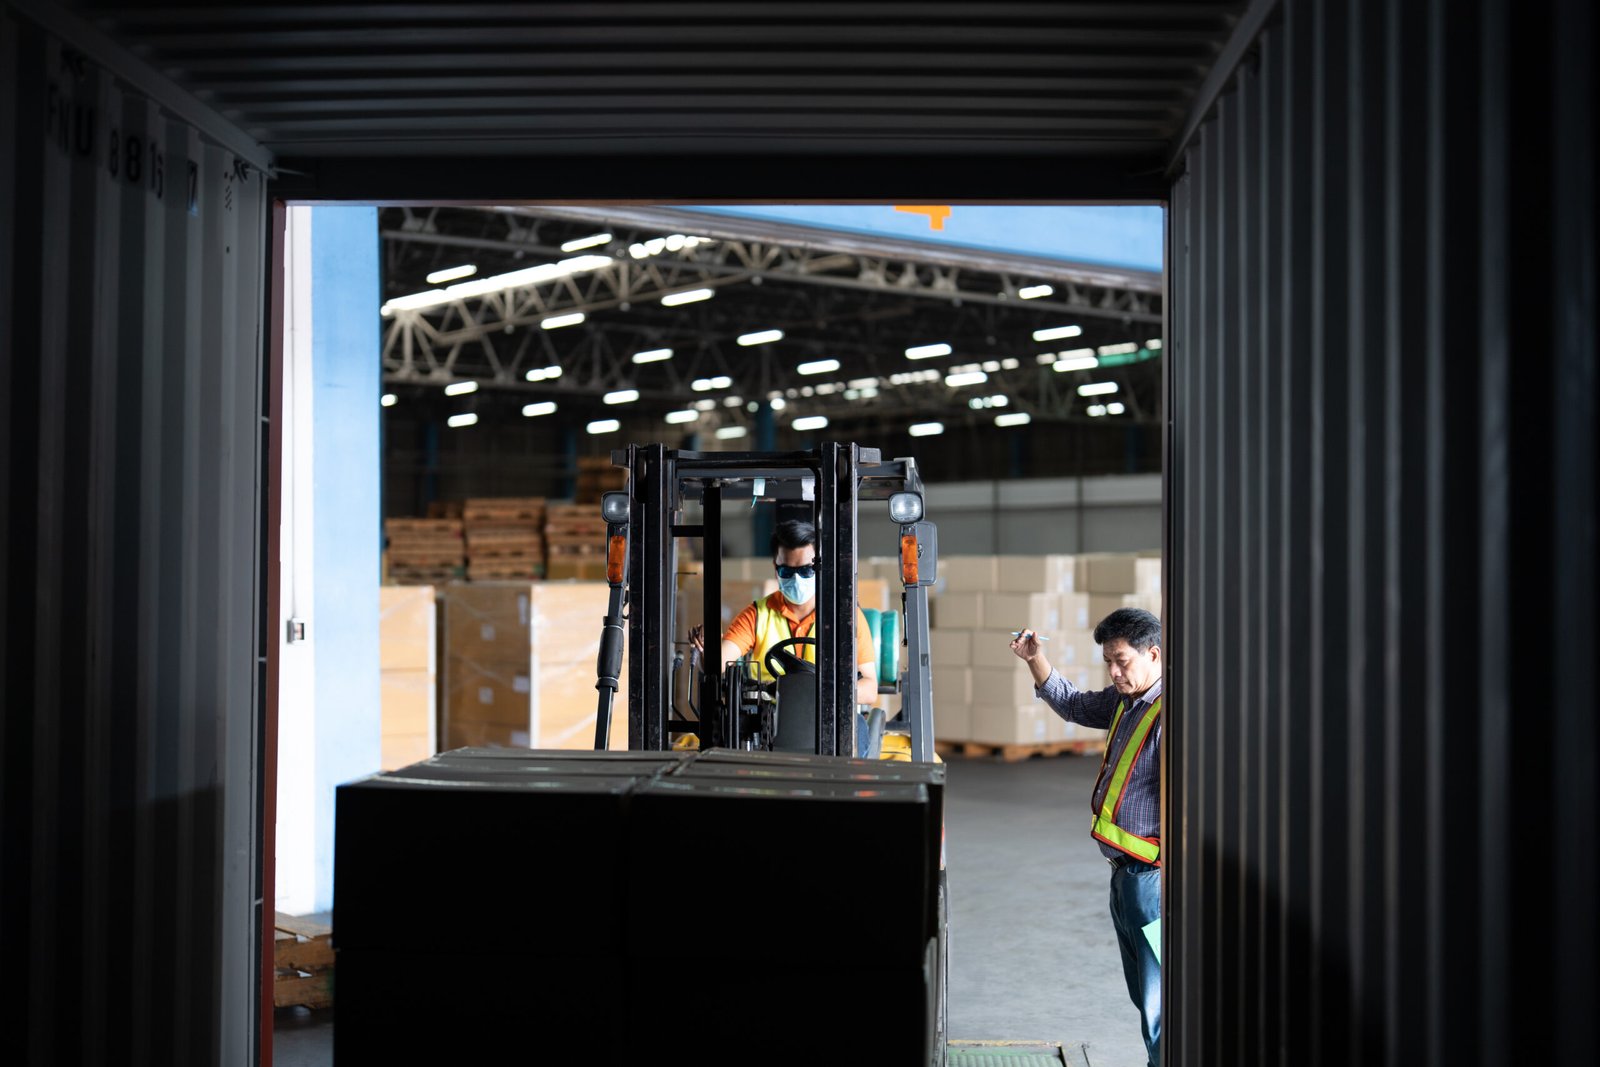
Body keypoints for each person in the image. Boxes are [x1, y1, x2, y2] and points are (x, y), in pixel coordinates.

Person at [1010, 607, 1163, 1067]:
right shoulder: (1125, 701)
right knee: (1145, 996)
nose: (1114, 672)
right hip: (1125, 877)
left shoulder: (1173, 715)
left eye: (1122, 661)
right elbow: (1074, 704)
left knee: (1160, 1002)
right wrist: (1035, 660)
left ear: (1153, 654)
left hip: (1153, 881)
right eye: (1108, 663)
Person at [689, 518, 879, 707]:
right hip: (768, 723)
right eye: (787, 571)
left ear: (821, 567)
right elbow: (717, 664)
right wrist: (707, 648)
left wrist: (823, 690)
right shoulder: (757, 615)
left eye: (806, 571)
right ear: (775, 568)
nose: (797, 579)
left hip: (828, 716)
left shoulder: (844, 617)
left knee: (859, 731)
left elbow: (869, 689)